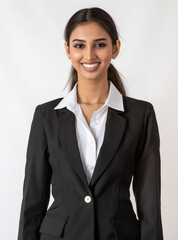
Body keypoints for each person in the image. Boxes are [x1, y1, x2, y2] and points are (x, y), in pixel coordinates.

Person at [17, 7, 164, 240]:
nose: (89, 55)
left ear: (115, 48)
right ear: (67, 50)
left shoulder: (140, 114)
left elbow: (150, 205)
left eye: (100, 44)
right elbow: (32, 203)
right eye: (79, 45)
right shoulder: (46, 116)